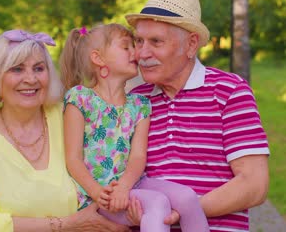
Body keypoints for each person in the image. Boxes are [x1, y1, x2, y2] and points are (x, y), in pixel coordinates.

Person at [125, 0, 270, 232]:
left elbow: (254, 184)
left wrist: (184, 211)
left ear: (191, 45)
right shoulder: (135, 100)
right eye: (138, 41)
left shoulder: (229, 92)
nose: (142, 53)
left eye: (156, 42)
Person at [0, 29, 131, 232]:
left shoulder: (70, 114)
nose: (31, 79)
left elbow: (116, 158)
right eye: (17, 70)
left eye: (39, 69)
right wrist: (67, 225)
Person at [59, 23, 209, 232]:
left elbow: (138, 156)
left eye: (133, 46)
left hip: (132, 184)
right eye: (126, 47)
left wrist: (124, 187)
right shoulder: (80, 99)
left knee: (187, 197)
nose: (136, 52)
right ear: (98, 58)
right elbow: (73, 158)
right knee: (157, 203)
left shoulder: (139, 104)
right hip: (100, 195)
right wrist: (97, 192)